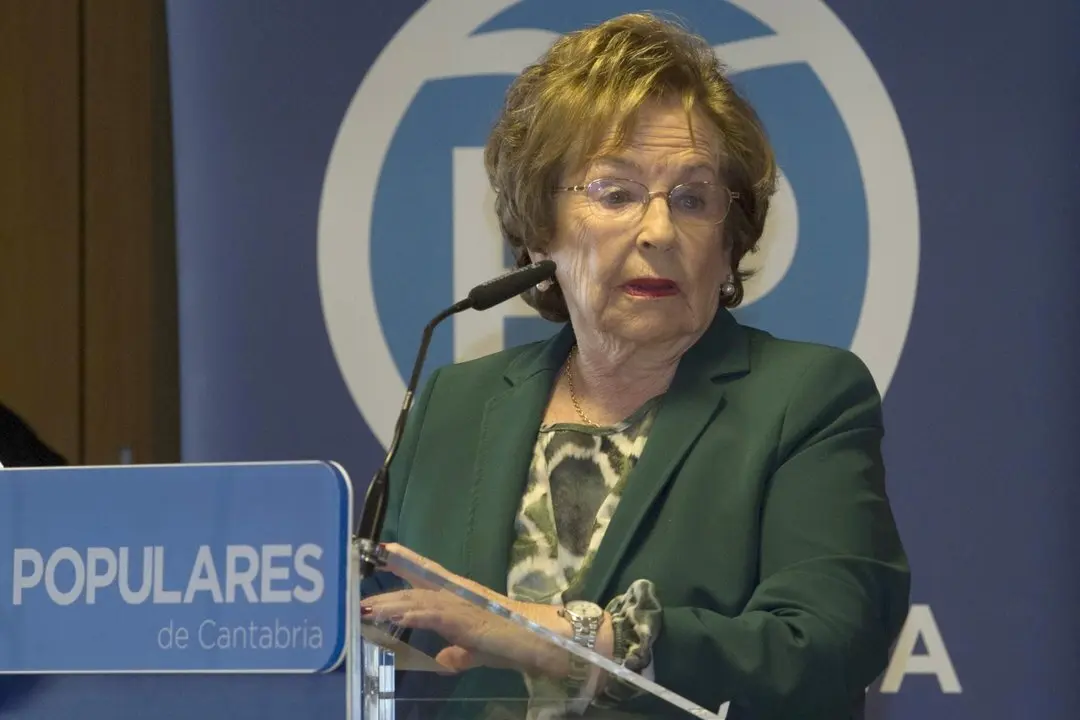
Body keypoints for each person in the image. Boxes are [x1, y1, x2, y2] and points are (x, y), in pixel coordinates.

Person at [362, 12, 910, 720]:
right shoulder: (456, 401)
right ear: (540, 232)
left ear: (730, 239)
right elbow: (387, 638)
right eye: (615, 193)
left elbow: (829, 642)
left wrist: (572, 641)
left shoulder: (804, 398)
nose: (659, 230)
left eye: (693, 199)